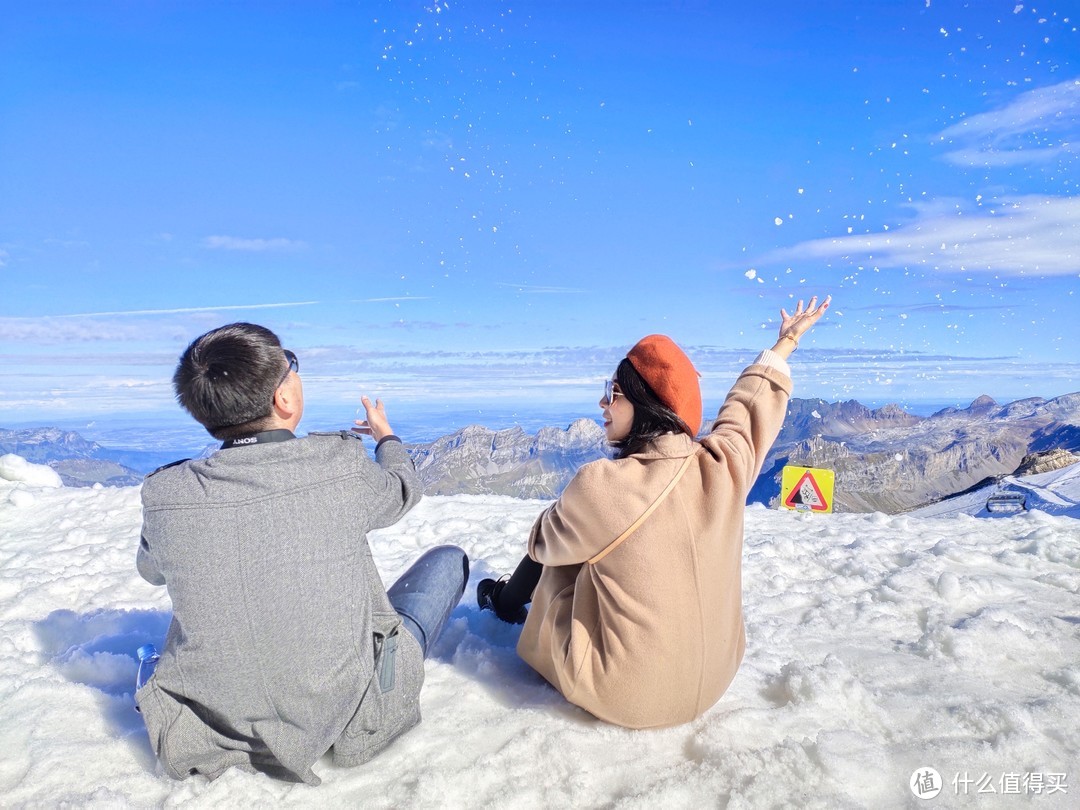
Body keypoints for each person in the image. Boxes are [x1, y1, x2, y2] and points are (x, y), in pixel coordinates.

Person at [135, 322, 468, 785]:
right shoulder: (340, 466)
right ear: (283, 399)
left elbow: (151, 571)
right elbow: (403, 490)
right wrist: (385, 438)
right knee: (449, 562)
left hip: (212, 724)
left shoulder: (165, 493)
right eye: (290, 365)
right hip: (355, 710)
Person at [477, 296, 830, 729]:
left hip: (627, 696)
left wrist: (570, 509)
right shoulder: (724, 464)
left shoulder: (601, 485)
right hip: (717, 677)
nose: (602, 404)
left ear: (645, 402)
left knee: (564, 559)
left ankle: (506, 605)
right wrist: (784, 346)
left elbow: (541, 545)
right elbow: (746, 410)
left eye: (614, 393)